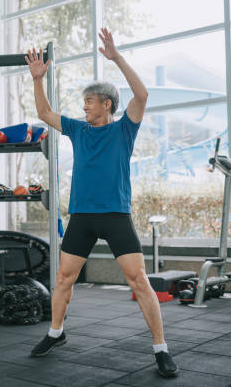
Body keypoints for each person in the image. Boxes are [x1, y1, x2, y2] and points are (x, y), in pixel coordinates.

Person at [24, 28, 178, 378]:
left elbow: (142, 94)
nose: (84, 107)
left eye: (89, 102)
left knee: (138, 280)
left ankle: (161, 349)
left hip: (115, 215)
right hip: (81, 216)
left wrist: (116, 58)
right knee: (64, 278)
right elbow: (45, 112)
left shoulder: (124, 129)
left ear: (106, 103)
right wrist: (37, 79)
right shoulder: (78, 130)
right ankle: (55, 332)